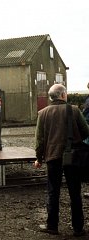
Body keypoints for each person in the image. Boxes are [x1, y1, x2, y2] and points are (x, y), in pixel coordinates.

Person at [34, 84, 89, 237]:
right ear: (63, 95)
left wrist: (39, 158)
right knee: (75, 192)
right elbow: (86, 132)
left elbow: (39, 140)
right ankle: (78, 228)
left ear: (51, 97)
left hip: (52, 157)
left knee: (53, 191)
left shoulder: (42, 113)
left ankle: (52, 226)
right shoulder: (74, 110)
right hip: (73, 157)